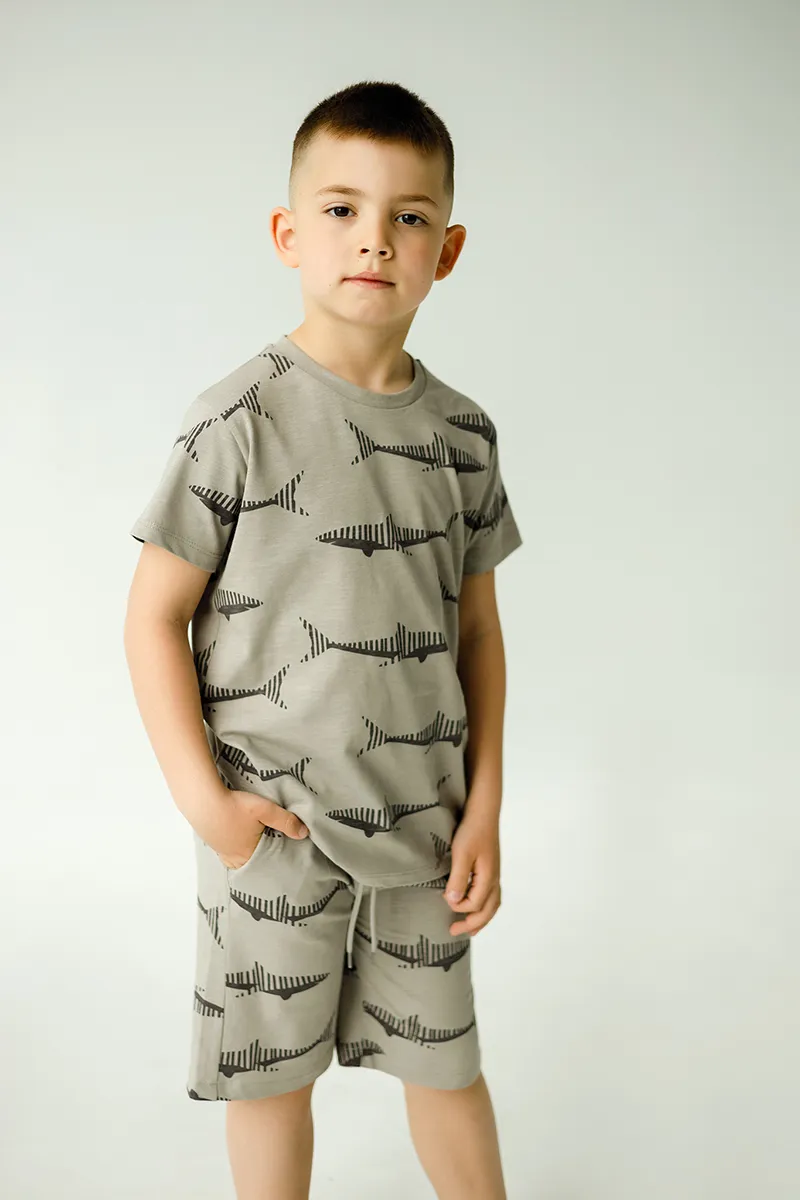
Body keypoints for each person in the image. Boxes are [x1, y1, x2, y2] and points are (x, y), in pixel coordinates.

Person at [124, 79, 523, 1200]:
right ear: (288, 234)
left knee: (446, 1067)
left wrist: (485, 805)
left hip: (425, 828)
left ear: (445, 251)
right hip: (274, 827)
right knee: (270, 1083)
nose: (373, 239)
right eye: (341, 209)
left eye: (408, 216)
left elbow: (478, 630)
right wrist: (207, 805)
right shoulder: (235, 419)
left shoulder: (465, 437)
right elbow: (152, 615)